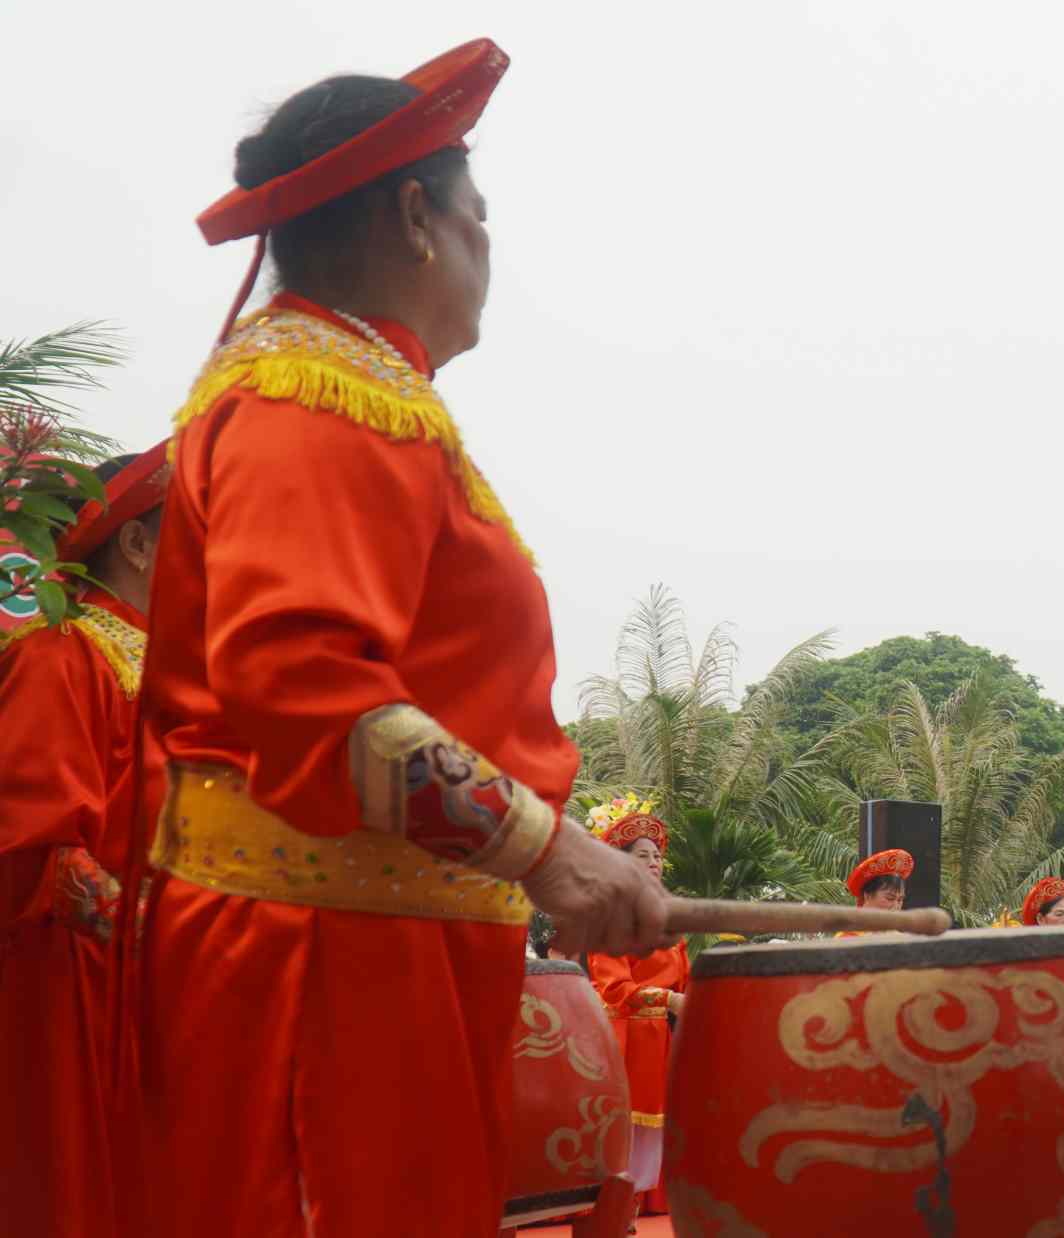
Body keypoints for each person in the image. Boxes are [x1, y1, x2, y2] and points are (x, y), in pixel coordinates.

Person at [129, 42, 670, 1238]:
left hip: (382, 956)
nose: (489, 247)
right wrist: (544, 849)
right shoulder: (314, 398)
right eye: (481, 215)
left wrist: (561, 834)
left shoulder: (366, 395)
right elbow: (310, 688)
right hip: (316, 972)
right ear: (418, 216)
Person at [0, 447, 167, 1238]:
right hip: (78, 994)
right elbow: (38, 850)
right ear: (135, 543)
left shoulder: (180, 674)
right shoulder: (62, 655)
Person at [581, 798, 690, 1222]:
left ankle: (628, 1211)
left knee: (650, 1134)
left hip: (660, 1038)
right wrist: (669, 1000)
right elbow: (614, 988)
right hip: (624, 1039)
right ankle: (612, 1214)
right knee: (621, 1133)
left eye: (658, 855)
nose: (654, 862)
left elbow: (685, 979)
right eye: (642, 855)